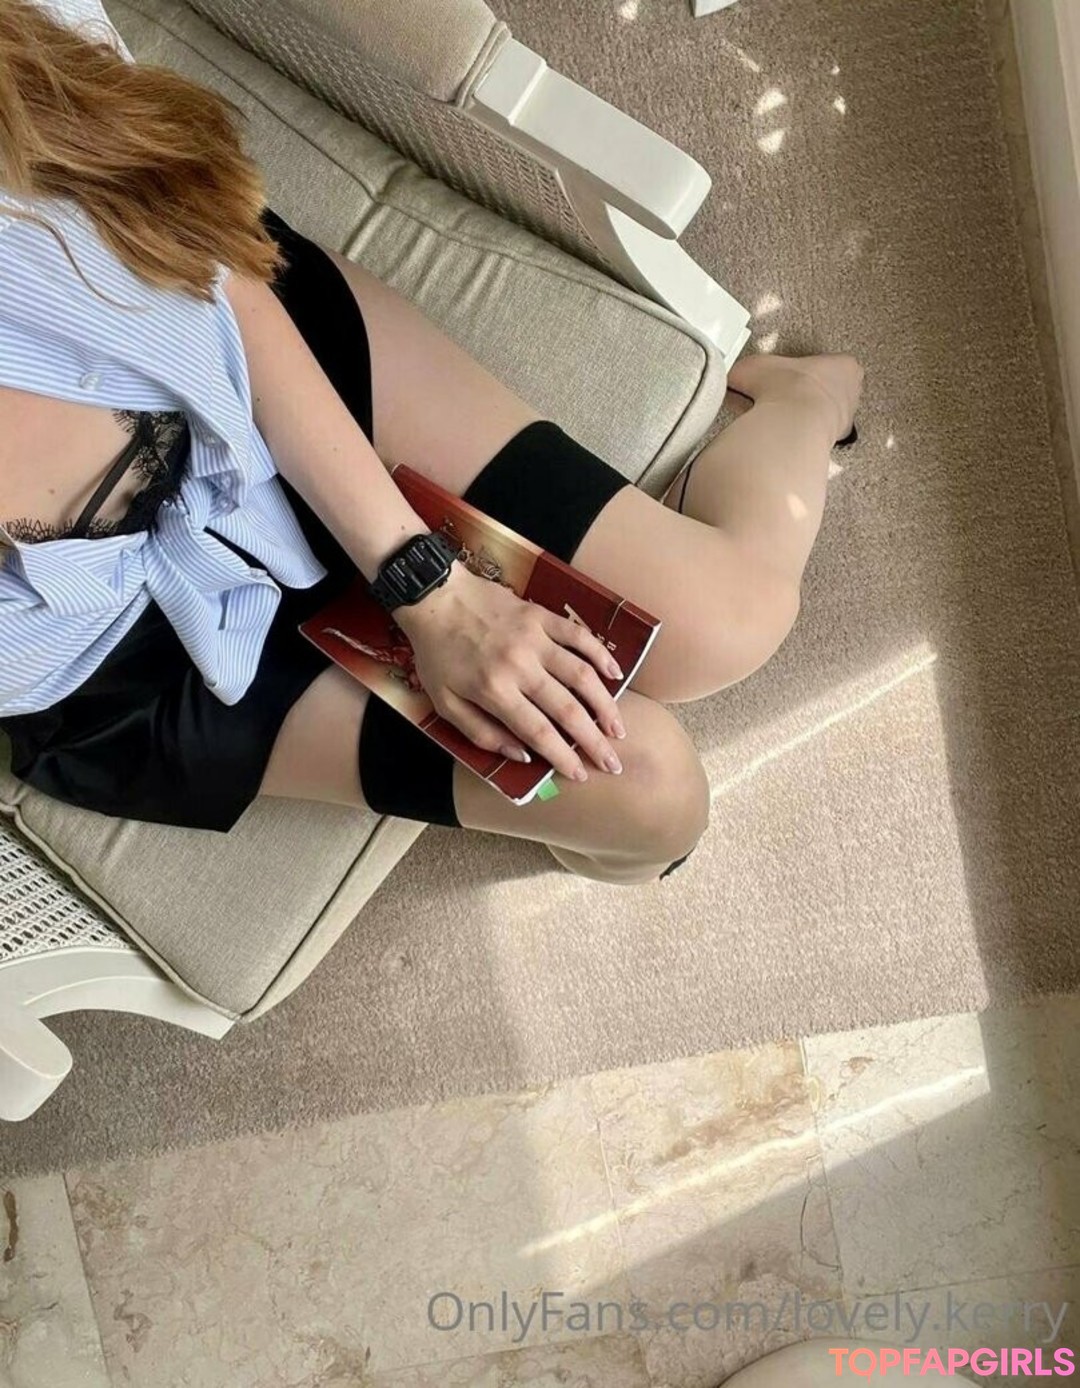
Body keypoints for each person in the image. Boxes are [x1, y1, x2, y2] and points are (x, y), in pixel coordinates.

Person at [0, 0, 863, 887]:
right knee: (652, 798)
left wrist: (431, 591)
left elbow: (194, 244)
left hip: (240, 369)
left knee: (726, 622)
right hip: (120, 660)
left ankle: (806, 397)